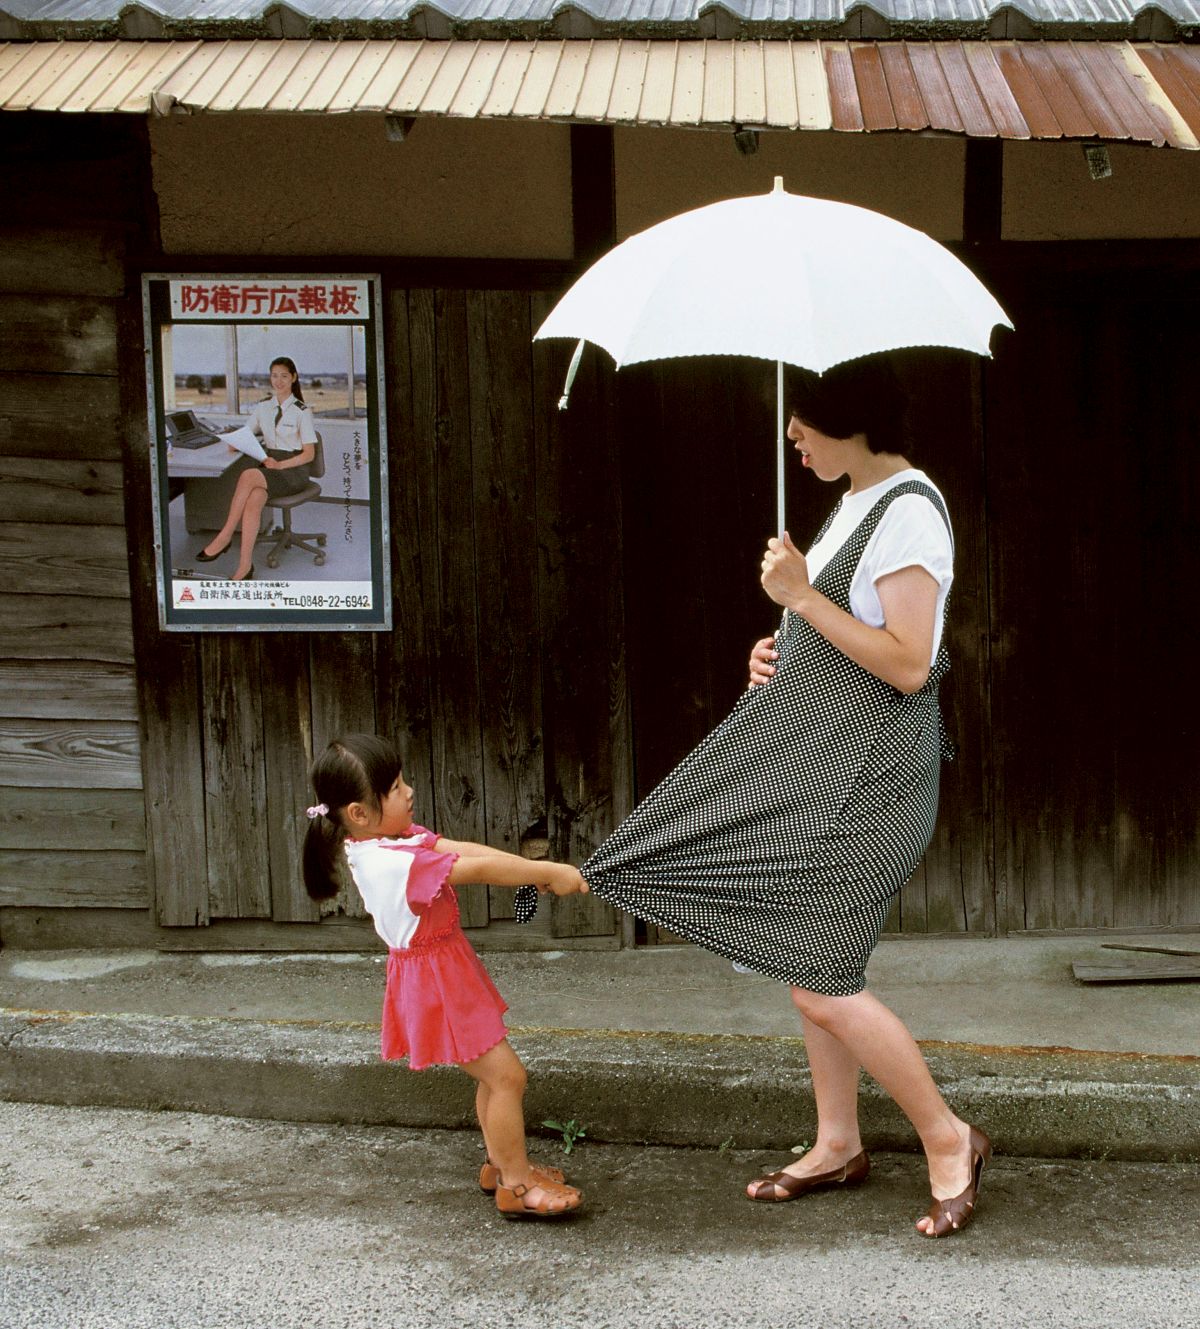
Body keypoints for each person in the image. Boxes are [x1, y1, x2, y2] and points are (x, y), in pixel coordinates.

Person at [582, 355, 991, 1238]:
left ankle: (949, 1136)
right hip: (828, 767)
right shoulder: (852, 502)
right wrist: (778, 647)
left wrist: (803, 597)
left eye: (802, 421)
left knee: (820, 979)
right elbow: (845, 634)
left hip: (873, 776)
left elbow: (910, 664)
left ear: (850, 419)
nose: (792, 437)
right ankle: (837, 1140)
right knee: (807, 961)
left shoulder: (910, 511)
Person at [303, 733, 589, 1220]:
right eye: (395, 786)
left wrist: (533, 869)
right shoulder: (390, 863)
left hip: (446, 967)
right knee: (507, 1078)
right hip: (436, 980)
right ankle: (516, 1187)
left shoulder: (396, 839)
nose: (409, 791)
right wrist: (550, 872)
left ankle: (503, 1164)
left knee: (492, 1076)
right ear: (359, 812)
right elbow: (474, 869)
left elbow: (465, 848)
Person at [195, 356, 317, 581]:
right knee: (254, 499)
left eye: (283, 376)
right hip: (270, 466)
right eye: (274, 375)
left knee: (249, 474)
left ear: (293, 378)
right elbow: (246, 432)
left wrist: (280, 464)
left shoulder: (302, 411)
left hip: (292, 470)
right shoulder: (263, 407)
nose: (278, 381)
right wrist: (233, 442)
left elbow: (309, 454)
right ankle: (244, 567)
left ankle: (225, 536)